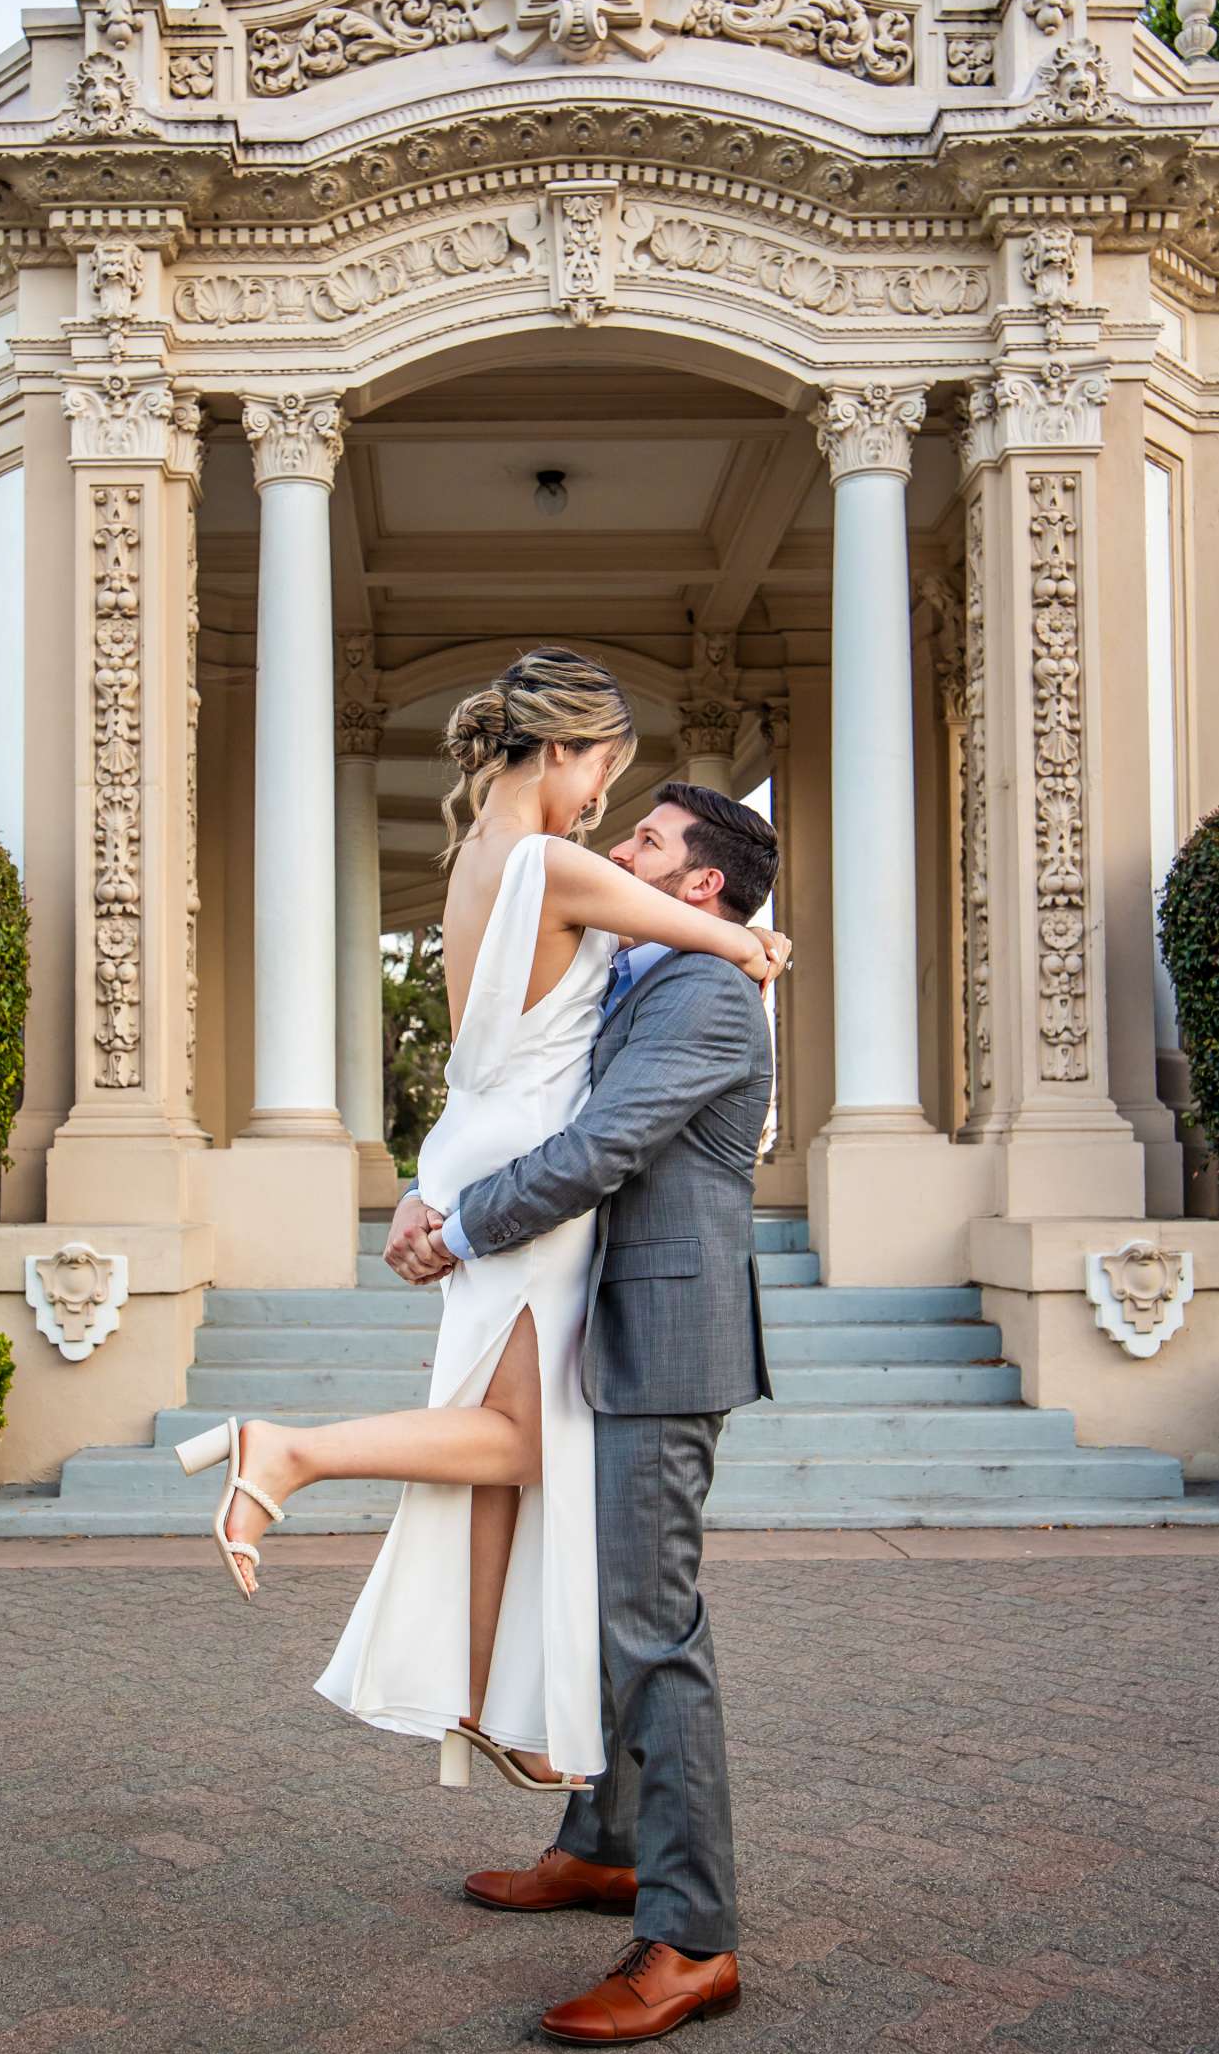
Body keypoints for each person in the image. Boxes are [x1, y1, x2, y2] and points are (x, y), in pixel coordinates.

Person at [174, 647, 788, 1823]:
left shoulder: (477, 859)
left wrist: (432, 1181)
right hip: (525, 1166)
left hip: (478, 1133)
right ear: (562, 750)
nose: (607, 799)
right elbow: (728, 940)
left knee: (507, 1450)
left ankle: (478, 1698)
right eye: (606, 766)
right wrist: (762, 948)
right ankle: (288, 1454)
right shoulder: (555, 863)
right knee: (516, 1442)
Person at [387, 767, 782, 2045]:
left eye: (648, 840)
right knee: (599, 1606)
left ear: (702, 882)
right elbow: (525, 1098)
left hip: (660, 1342)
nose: (621, 847)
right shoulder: (636, 971)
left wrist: (465, 1228)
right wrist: (429, 1181)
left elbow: (606, 1143)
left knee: (652, 1632)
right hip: (583, 1328)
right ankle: (600, 1847)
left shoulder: (706, 994)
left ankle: (689, 1937)